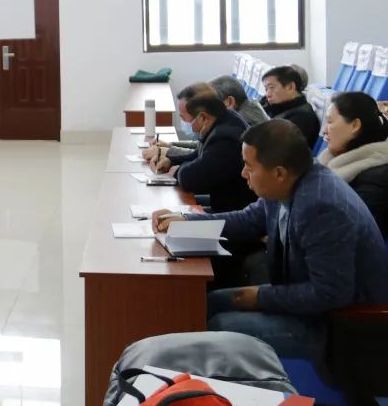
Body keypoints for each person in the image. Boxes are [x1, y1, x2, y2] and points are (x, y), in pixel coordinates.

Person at [152, 120, 388, 360]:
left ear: (279, 173)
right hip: (311, 305)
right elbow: (248, 220)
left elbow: (330, 294)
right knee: (208, 302)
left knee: (219, 326)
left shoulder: (322, 207)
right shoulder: (291, 181)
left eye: (249, 167)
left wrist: (260, 298)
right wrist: (186, 221)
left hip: (342, 325)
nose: (243, 174)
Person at [151, 93, 255, 213]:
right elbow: (198, 155)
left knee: (175, 210)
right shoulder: (221, 120)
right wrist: (171, 161)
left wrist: (177, 171)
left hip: (233, 210)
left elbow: (192, 179)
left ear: (203, 117)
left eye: (187, 119)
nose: (187, 124)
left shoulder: (225, 137)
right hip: (223, 202)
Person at [320, 91, 388, 239]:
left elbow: (343, 233)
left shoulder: (377, 180)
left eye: (330, 122)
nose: (324, 130)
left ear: (355, 125)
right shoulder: (332, 158)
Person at [142, 82, 216, 166]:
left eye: (183, 117)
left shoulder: (219, 135)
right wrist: (169, 145)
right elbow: (197, 145)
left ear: (202, 116)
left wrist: (164, 151)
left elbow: (197, 155)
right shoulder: (211, 127)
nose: (183, 121)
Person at [260, 65, 320, 148]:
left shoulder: (303, 117)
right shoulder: (275, 105)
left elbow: (278, 149)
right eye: (266, 89)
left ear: (290, 87)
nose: (268, 94)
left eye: (271, 87)